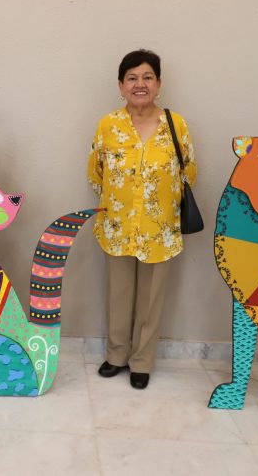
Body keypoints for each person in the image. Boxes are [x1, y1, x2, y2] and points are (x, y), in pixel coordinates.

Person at [87, 49, 197, 389]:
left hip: (159, 229)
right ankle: (116, 355)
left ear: (159, 84)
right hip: (117, 226)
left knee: (151, 299)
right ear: (121, 86)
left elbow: (189, 171)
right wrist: (118, 203)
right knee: (119, 294)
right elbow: (95, 172)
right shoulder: (108, 125)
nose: (140, 84)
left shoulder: (176, 125)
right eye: (132, 78)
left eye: (148, 77)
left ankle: (142, 362)